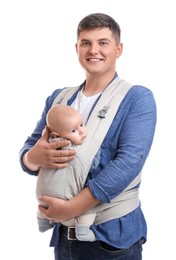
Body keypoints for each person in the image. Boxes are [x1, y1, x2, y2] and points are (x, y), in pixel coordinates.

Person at [19, 12, 157, 260]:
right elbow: (28, 152)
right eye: (86, 43)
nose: (94, 50)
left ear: (118, 48)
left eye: (103, 42)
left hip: (112, 240)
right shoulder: (59, 98)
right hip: (64, 238)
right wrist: (33, 157)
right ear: (77, 48)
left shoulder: (137, 98)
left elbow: (128, 163)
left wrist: (71, 208)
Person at [37, 104, 97, 242]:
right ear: (58, 136)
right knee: (89, 211)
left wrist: (30, 157)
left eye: (82, 124)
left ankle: (42, 220)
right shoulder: (71, 149)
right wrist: (29, 157)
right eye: (74, 130)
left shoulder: (45, 144)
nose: (82, 132)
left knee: (43, 204)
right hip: (70, 203)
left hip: (43, 199)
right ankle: (83, 233)